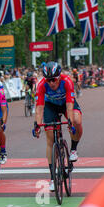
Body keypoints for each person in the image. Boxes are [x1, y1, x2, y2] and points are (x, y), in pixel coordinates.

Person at [33, 61, 83, 192]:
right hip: (51, 107)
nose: (51, 83)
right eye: (48, 80)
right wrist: (37, 125)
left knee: (77, 121)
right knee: (50, 139)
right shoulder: (41, 85)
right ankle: (52, 177)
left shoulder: (67, 82)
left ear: (59, 77)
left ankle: (73, 149)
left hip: (66, 104)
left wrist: (70, 122)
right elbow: (39, 107)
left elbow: (70, 105)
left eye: (54, 80)